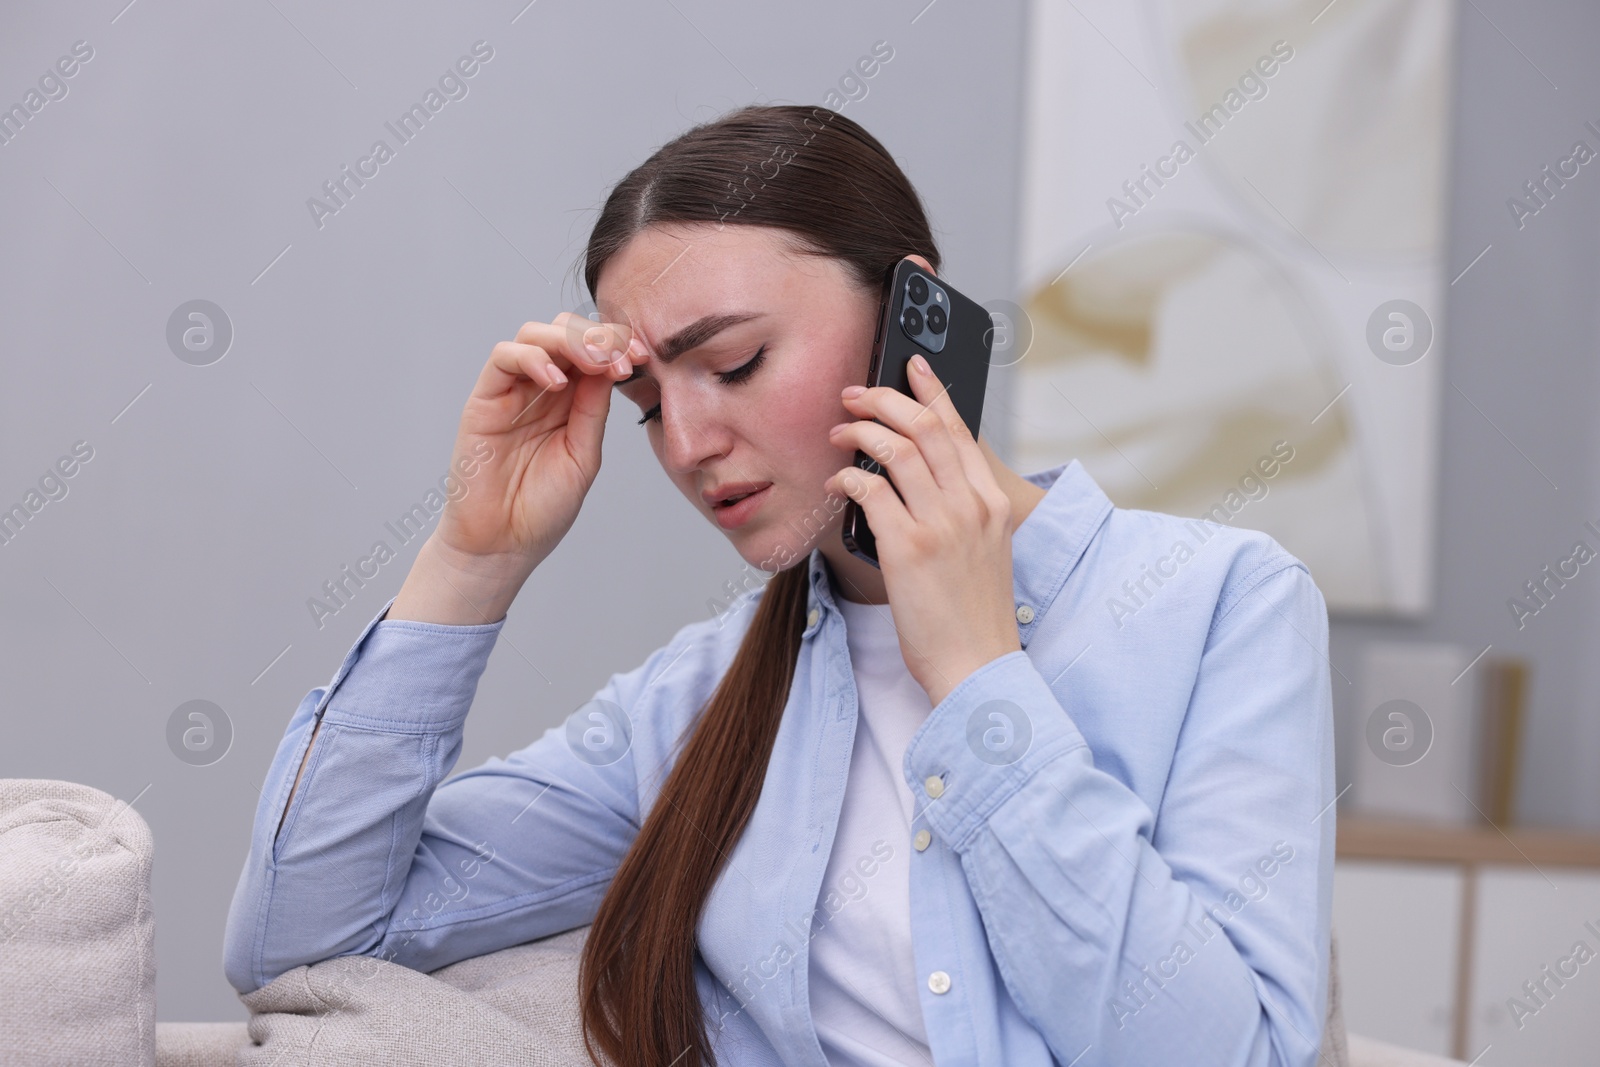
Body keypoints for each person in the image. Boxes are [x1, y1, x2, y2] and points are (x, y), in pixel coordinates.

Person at [223, 103, 1335, 1067]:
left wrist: (978, 680)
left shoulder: (1219, 606)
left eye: (736, 362)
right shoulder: (696, 705)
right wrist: (473, 558)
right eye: (651, 402)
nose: (689, 443)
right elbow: (305, 935)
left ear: (916, 318)